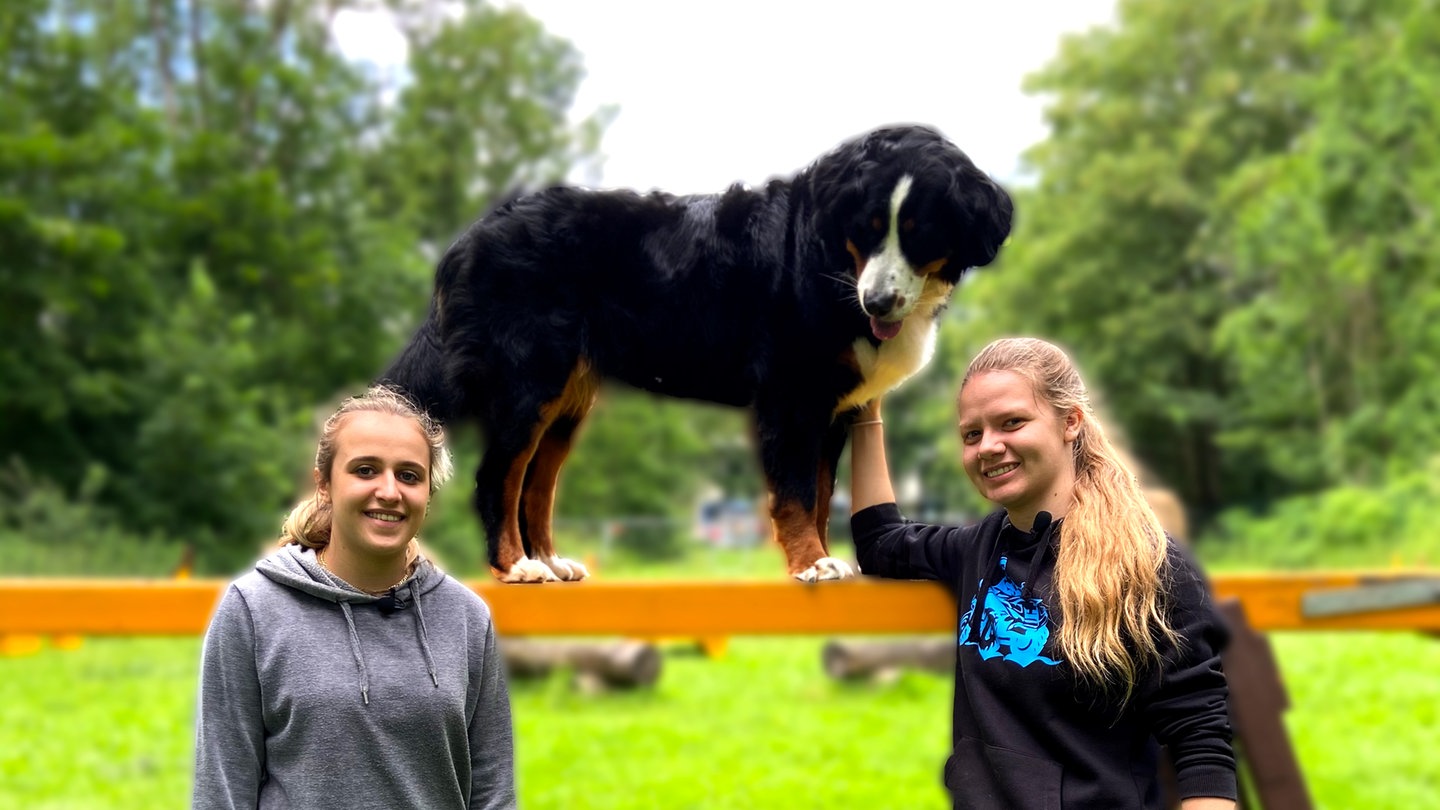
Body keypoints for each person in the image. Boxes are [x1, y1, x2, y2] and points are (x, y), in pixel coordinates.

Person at [848, 337, 1236, 810]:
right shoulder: (977, 550)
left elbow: (1201, 743)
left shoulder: (1152, 565)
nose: (988, 447)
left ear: (1069, 422)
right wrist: (866, 408)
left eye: (1012, 422)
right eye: (972, 434)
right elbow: (880, 543)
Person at [192, 385, 517, 810]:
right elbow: (222, 791)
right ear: (324, 484)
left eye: (409, 475)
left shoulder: (467, 618)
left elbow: (493, 794)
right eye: (365, 470)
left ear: (428, 494)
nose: (389, 491)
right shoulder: (253, 610)